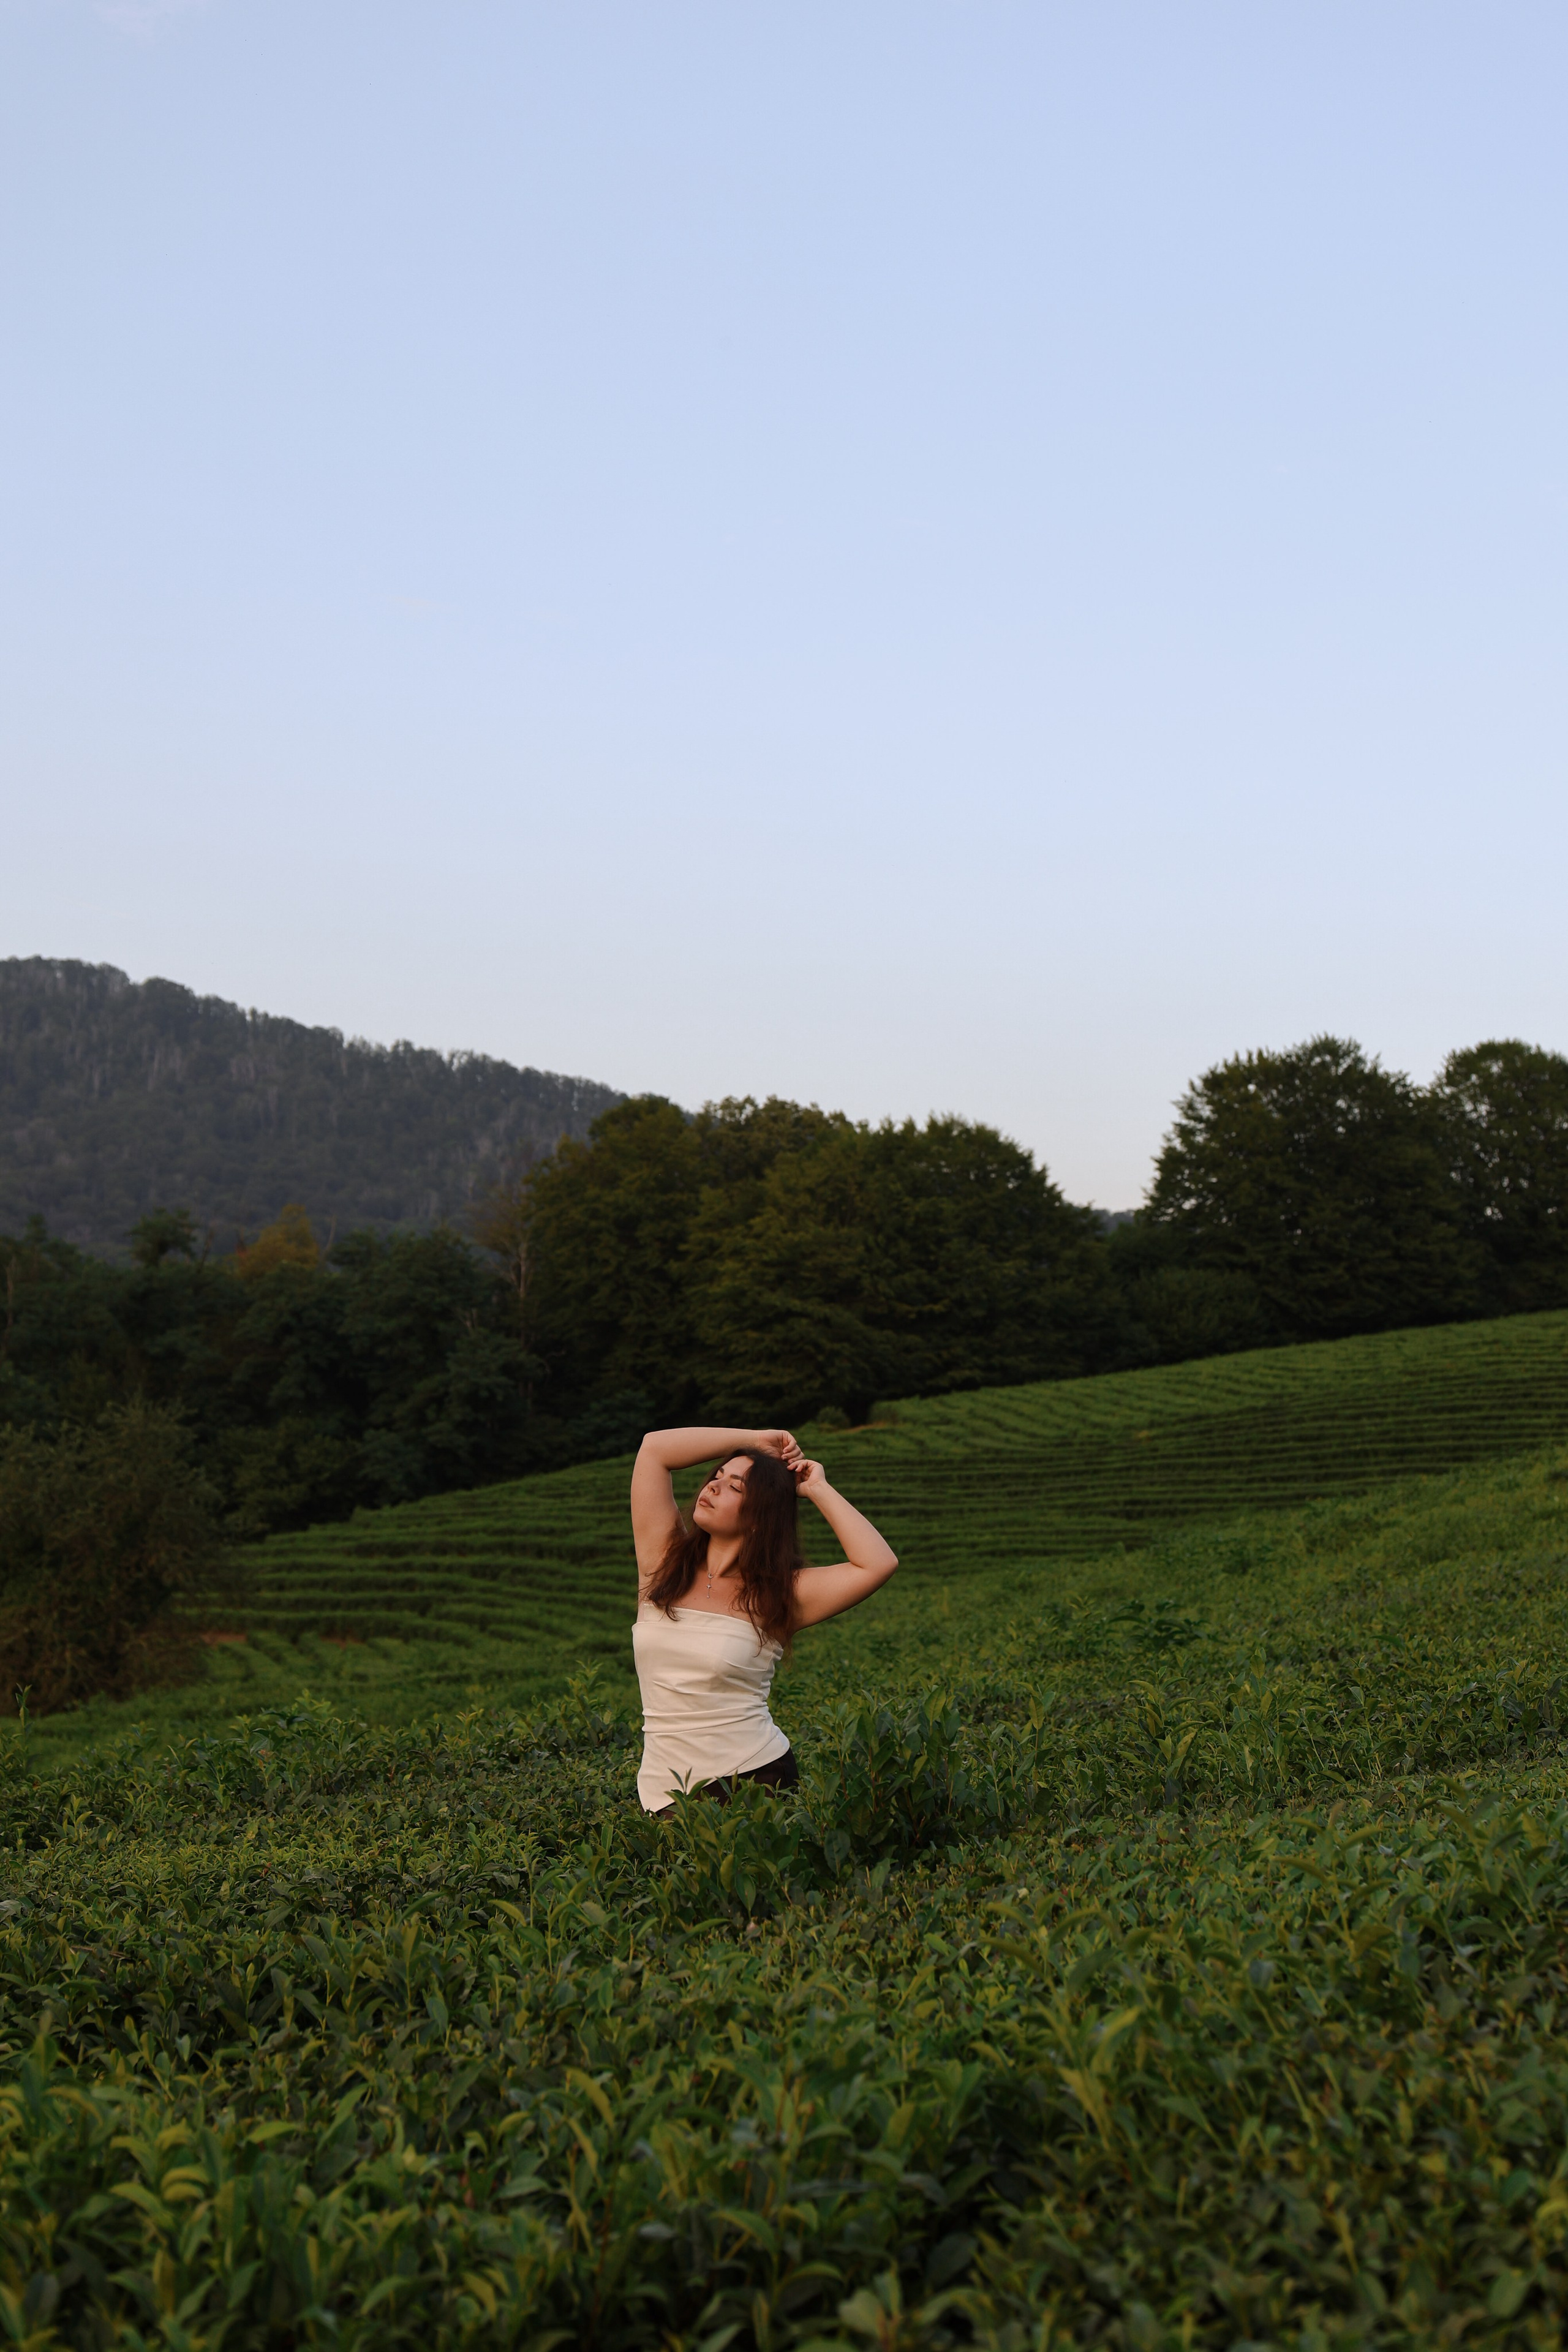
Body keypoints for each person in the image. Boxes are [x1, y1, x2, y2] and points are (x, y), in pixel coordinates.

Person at [630, 1425, 899, 1816]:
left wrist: (817, 1488)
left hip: (753, 1777)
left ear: (760, 1517)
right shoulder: (662, 1564)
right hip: (660, 1787)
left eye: (735, 1487)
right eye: (717, 1477)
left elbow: (878, 1563)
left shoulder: (778, 1594)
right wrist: (754, 1440)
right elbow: (654, 1448)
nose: (713, 1487)